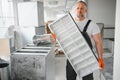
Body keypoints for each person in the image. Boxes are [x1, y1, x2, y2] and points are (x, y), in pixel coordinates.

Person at [66, 1, 105, 80]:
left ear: (85, 11)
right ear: (75, 10)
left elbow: (98, 42)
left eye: (82, 8)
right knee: (70, 77)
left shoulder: (92, 24)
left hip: (86, 57)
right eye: (78, 8)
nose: (79, 10)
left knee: (88, 78)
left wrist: (100, 58)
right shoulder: (69, 23)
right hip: (72, 56)